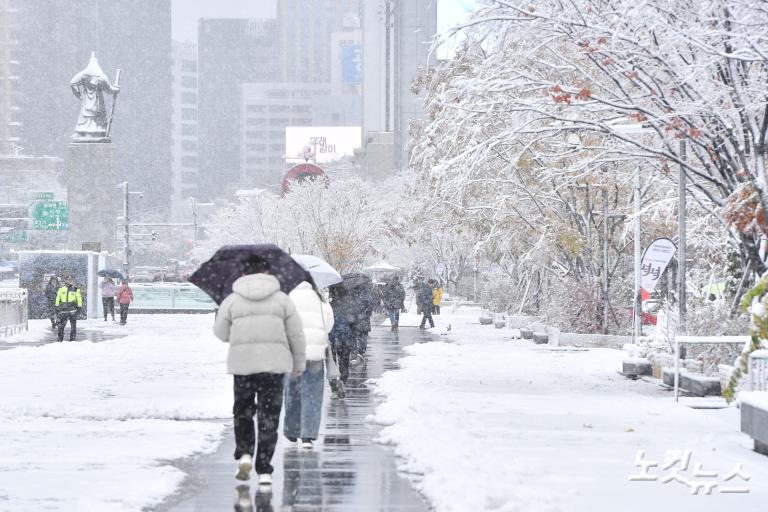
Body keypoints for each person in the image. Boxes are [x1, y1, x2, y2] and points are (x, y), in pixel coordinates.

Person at [213, 255, 306, 486]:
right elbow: (296, 335)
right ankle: (264, 469)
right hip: (274, 367)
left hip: (243, 367)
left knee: (243, 412)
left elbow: (221, 334)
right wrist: (299, 365)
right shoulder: (283, 300)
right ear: (267, 272)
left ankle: (244, 453)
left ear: (243, 274)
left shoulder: (232, 300)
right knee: (269, 417)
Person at [284, 279, 335, 449]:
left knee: (292, 394)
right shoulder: (321, 300)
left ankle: (292, 431)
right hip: (315, 356)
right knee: (312, 396)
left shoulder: (288, 298)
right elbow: (328, 326)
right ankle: (308, 436)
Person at [55, 276, 82, 342]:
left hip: (73, 310)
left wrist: (79, 307)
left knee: (73, 326)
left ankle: (72, 339)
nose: (69, 281)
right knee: (61, 326)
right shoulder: (61, 289)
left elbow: (79, 298)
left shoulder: (75, 289)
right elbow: (58, 298)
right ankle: (60, 339)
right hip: (64, 310)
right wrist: (56, 306)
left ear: (72, 281)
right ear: (65, 280)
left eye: (71, 280)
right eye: (68, 280)